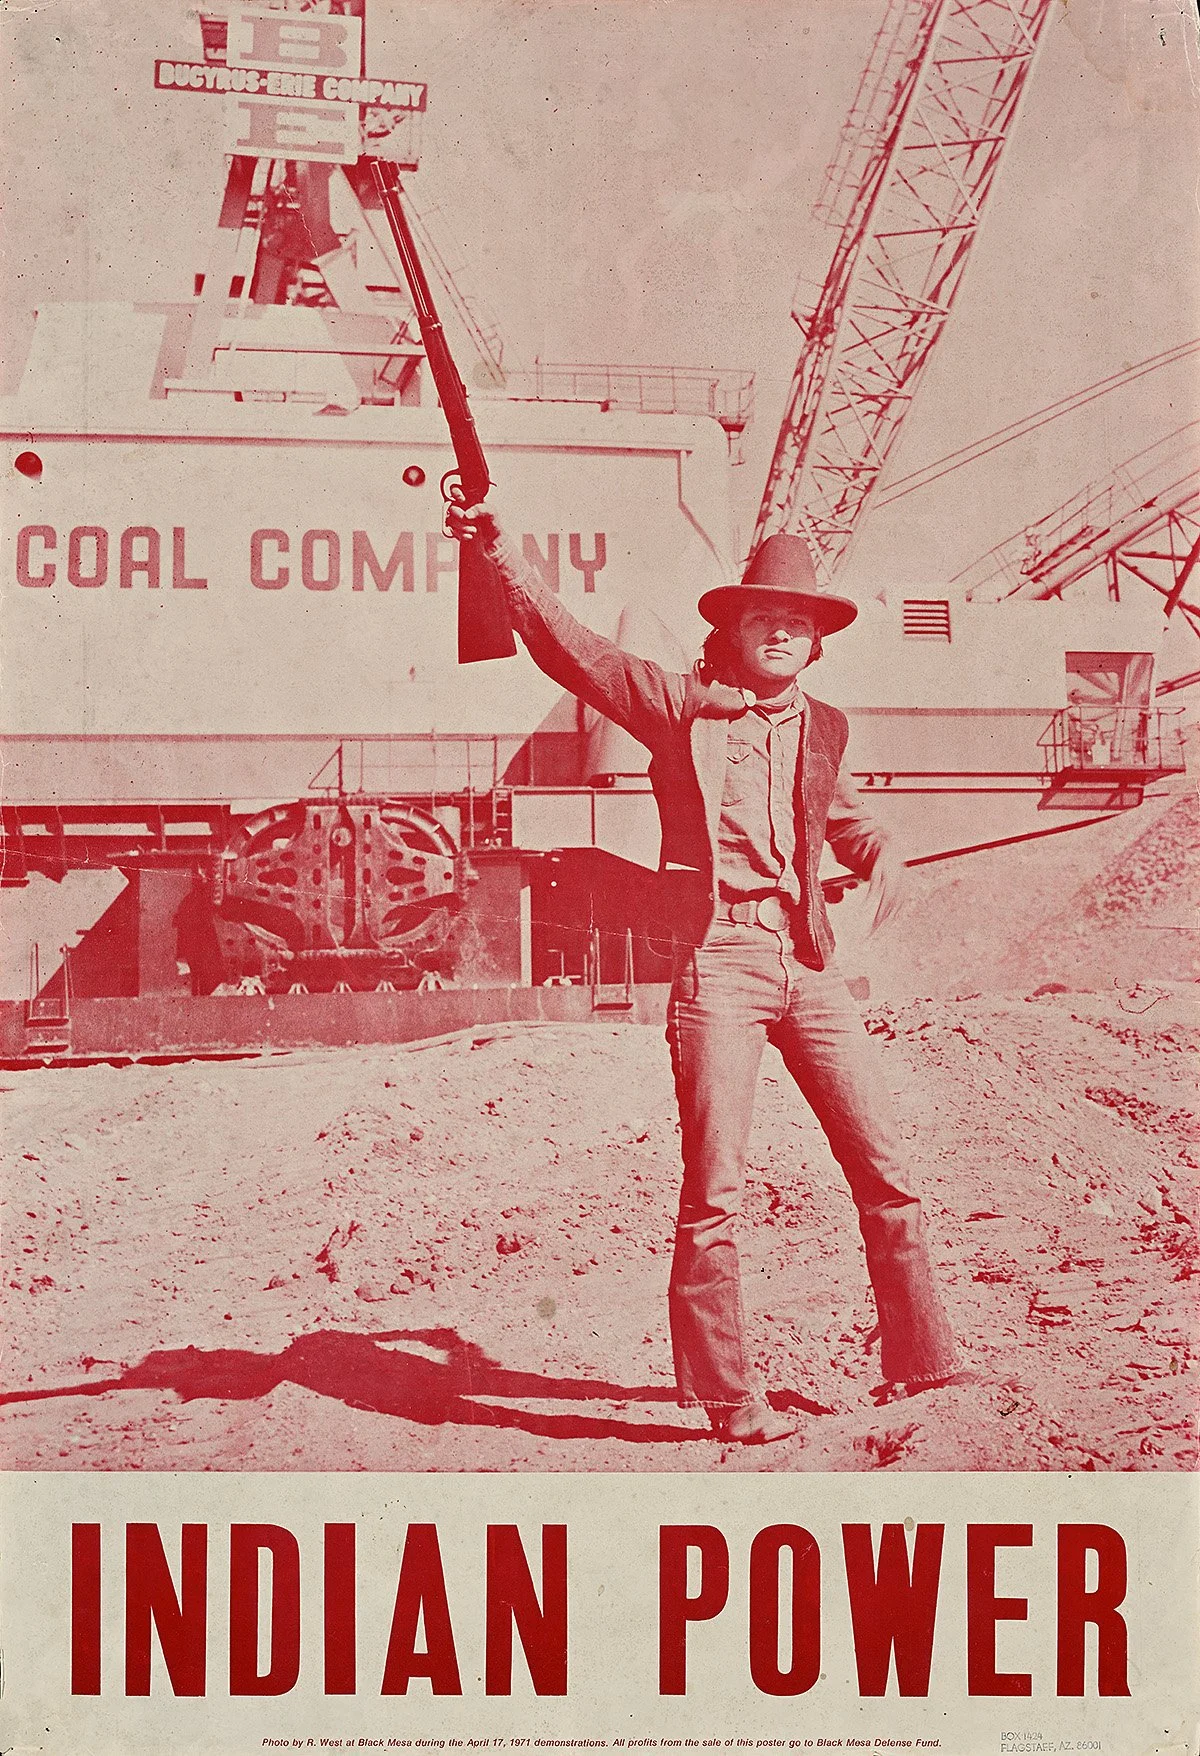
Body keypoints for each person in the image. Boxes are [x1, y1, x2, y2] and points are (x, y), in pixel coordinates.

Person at [448, 502, 962, 1444]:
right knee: (715, 1189)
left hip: (808, 967)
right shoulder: (682, 705)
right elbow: (579, 654)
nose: (781, 632)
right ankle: (727, 1396)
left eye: (799, 623)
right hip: (718, 962)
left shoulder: (824, 727)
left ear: (817, 644)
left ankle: (925, 1363)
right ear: (732, 628)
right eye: (765, 617)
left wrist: (884, 850)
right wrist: (505, 559)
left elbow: (843, 818)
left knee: (886, 1170)